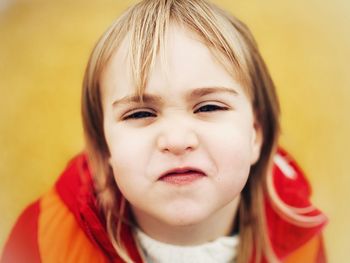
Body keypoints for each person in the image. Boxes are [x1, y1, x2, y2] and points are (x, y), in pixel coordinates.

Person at [0, 0, 327, 262]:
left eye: (209, 107)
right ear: (104, 150)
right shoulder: (43, 239)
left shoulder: (299, 236)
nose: (177, 141)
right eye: (141, 113)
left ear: (255, 134)